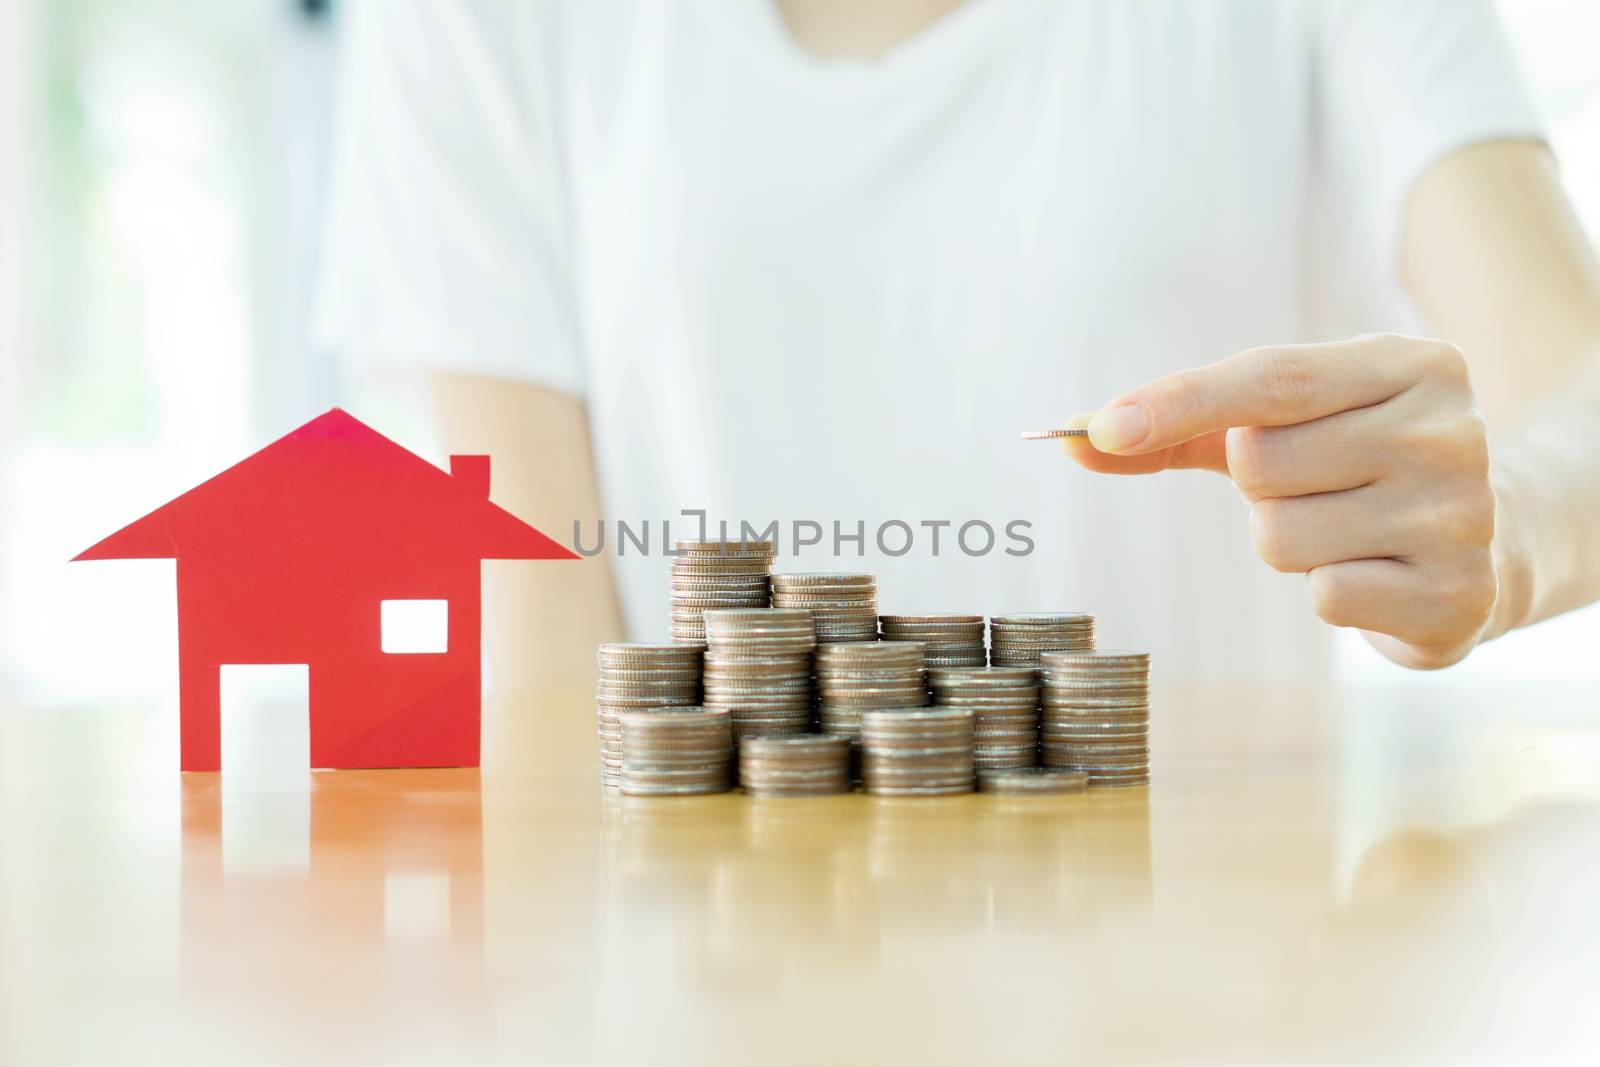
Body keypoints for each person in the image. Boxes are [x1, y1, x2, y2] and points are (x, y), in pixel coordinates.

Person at [316, 0, 1600, 691]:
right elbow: (541, 653)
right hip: (707, 994)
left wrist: (1507, 532)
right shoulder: (474, 18)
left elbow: (1578, 393)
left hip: (1208, 988)